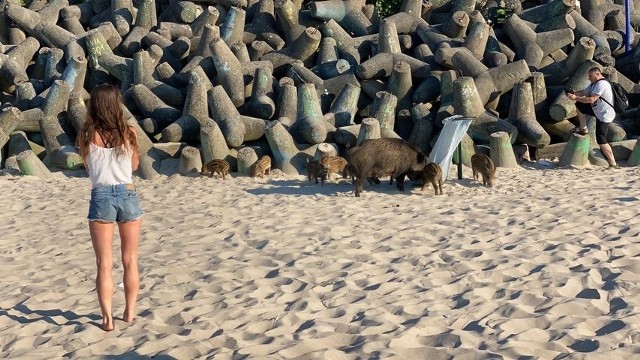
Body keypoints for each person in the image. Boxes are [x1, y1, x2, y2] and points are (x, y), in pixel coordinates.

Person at [76, 83, 143, 331]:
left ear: (94, 105)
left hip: (101, 194)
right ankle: (130, 311)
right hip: (127, 192)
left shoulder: (86, 134)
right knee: (130, 259)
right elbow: (134, 166)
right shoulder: (130, 132)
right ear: (116, 105)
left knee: (104, 263)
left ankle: (107, 320)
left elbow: (88, 167)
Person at [566, 67, 620, 169]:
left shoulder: (601, 84)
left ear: (598, 74)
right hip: (597, 111)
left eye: (590, 76)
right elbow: (584, 92)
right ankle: (583, 128)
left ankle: (613, 163)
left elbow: (591, 99)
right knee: (579, 105)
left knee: (601, 140)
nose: (589, 78)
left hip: (605, 115)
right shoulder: (594, 83)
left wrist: (576, 98)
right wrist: (573, 94)